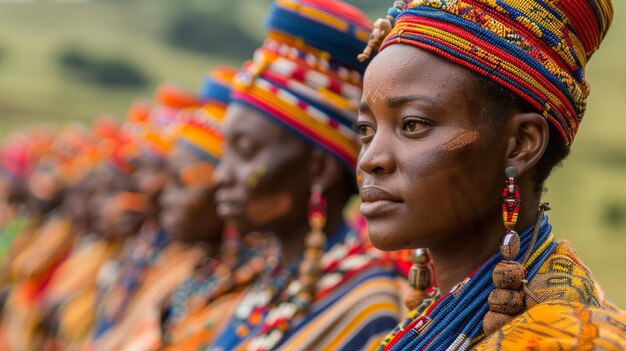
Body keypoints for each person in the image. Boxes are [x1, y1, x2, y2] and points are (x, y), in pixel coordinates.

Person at [355, 0, 626, 350]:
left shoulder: (576, 340)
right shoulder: (432, 321)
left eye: (413, 124)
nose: (370, 159)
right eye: (365, 128)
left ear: (521, 143)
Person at [211, 1, 405, 350]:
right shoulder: (275, 278)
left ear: (320, 168)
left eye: (246, 150)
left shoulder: (370, 310)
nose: (220, 176)